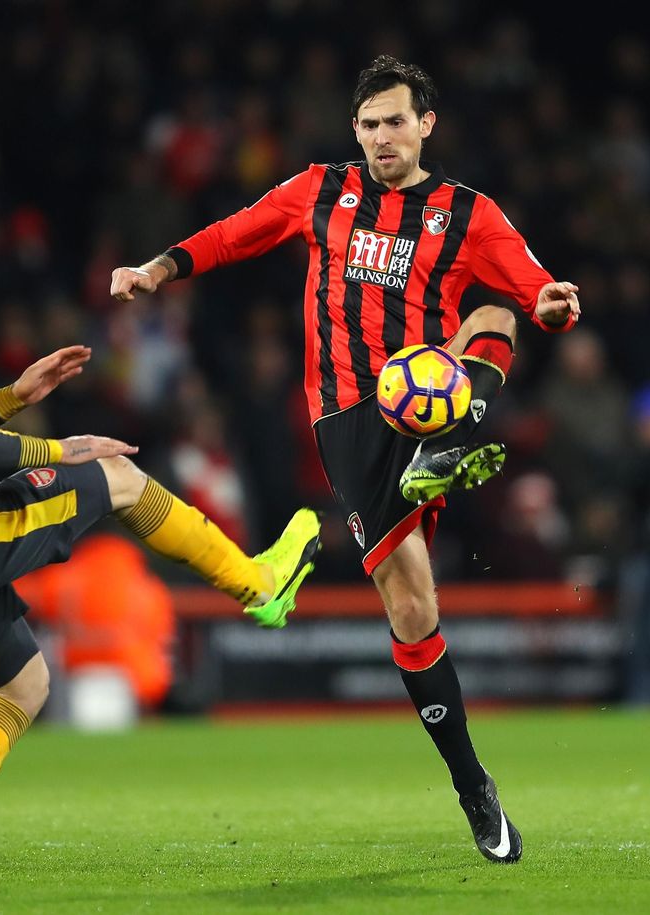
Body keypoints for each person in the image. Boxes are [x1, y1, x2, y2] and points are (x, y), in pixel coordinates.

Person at [111, 56, 583, 864]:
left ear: (426, 123)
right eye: (367, 125)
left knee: (494, 308)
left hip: (426, 387)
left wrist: (550, 303)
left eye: (395, 121)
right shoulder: (319, 191)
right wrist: (160, 267)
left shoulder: (466, 212)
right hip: (348, 419)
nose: (381, 137)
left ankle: (448, 436)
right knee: (411, 608)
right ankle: (473, 783)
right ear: (353, 131)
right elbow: (236, 232)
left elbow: (535, 290)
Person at [0, 203, 320, 884]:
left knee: (25, 682)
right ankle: (257, 583)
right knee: (120, 477)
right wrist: (58, 445)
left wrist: (13, 396)